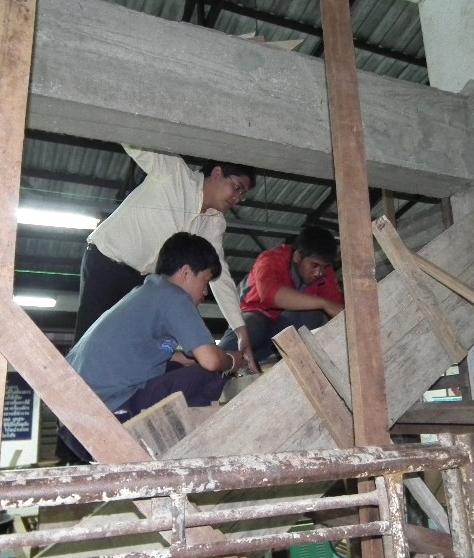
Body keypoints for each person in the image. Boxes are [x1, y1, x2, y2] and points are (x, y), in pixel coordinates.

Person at [56, 232, 248, 465]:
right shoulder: (174, 297)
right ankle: (184, 453)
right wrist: (232, 360)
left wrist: (184, 358)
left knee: (179, 366)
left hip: (74, 423)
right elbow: (211, 361)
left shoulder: (147, 292)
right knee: (209, 375)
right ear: (186, 272)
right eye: (205, 281)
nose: (205, 292)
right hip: (102, 422)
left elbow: (153, 355)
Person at [74, 145, 259, 372]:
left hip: (141, 284)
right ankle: (69, 389)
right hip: (106, 262)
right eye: (237, 187)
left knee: (123, 349)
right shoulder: (173, 172)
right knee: (88, 343)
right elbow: (136, 139)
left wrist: (241, 331)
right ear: (217, 173)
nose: (237, 198)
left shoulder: (214, 223)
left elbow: (218, 274)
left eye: (242, 194)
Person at [218, 226, 344, 364]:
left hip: (282, 327)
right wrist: (323, 303)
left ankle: (273, 362)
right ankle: (214, 363)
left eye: (324, 267)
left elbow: (337, 309)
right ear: (297, 257)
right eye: (314, 265)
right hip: (254, 316)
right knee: (252, 326)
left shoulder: (326, 274)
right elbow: (271, 295)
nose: (319, 273)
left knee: (314, 316)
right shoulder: (270, 259)